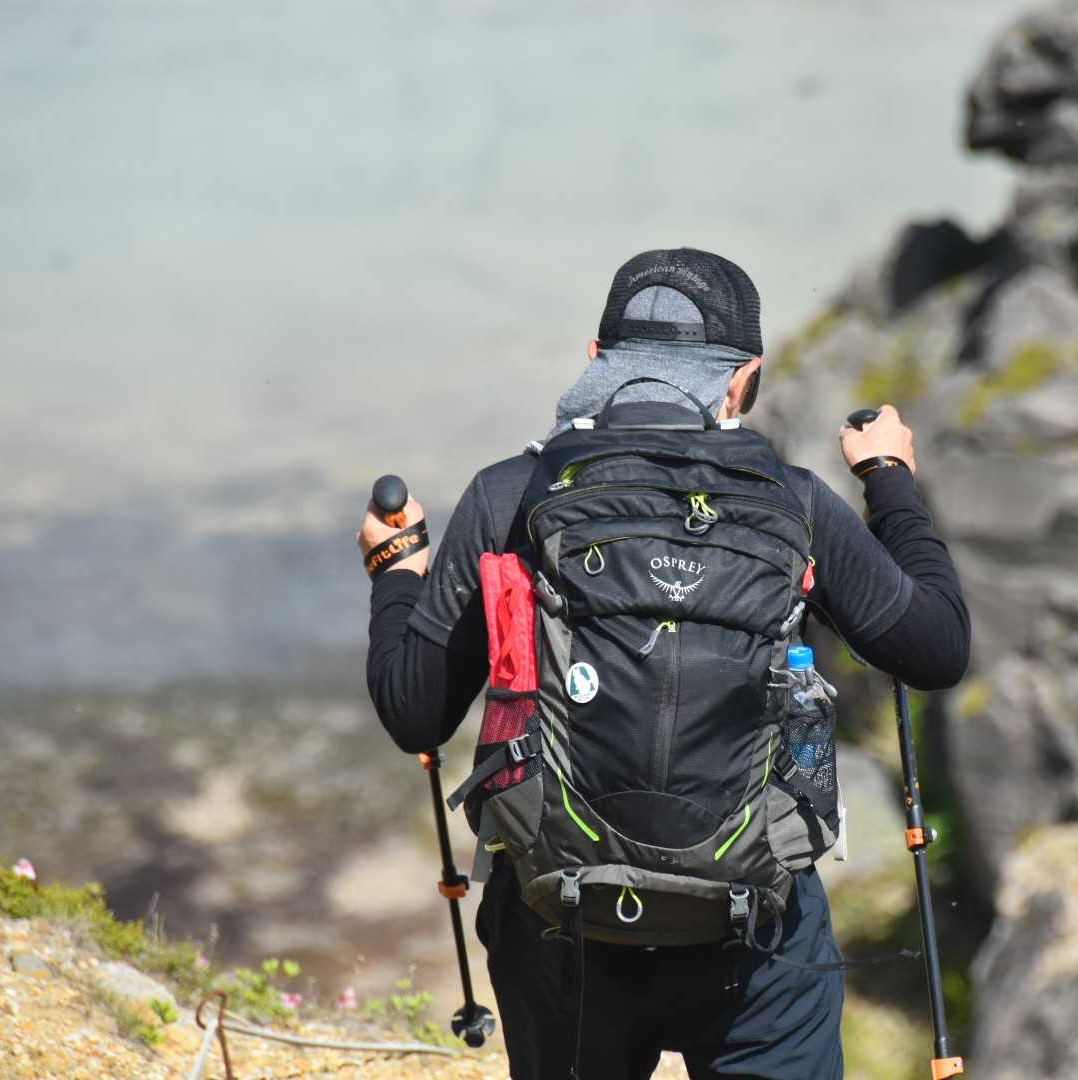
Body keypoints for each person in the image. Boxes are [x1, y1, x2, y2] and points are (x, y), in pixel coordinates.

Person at [360, 248, 969, 1080]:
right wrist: (888, 479)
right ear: (742, 379)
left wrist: (395, 573)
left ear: (596, 361)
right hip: (756, 935)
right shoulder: (794, 503)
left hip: (559, 925)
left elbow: (415, 713)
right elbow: (937, 648)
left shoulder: (510, 497)